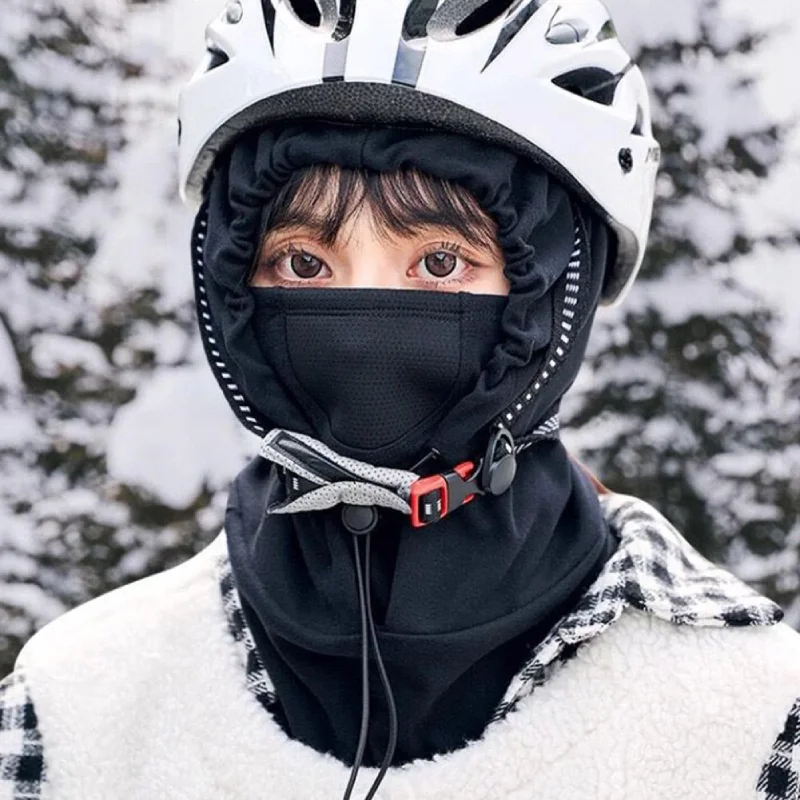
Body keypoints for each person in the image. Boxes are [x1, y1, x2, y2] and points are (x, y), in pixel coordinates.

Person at [1, 0, 799, 798]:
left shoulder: (748, 719)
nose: (360, 336)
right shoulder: (81, 712)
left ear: (561, 286)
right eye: (304, 264)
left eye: (441, 262)